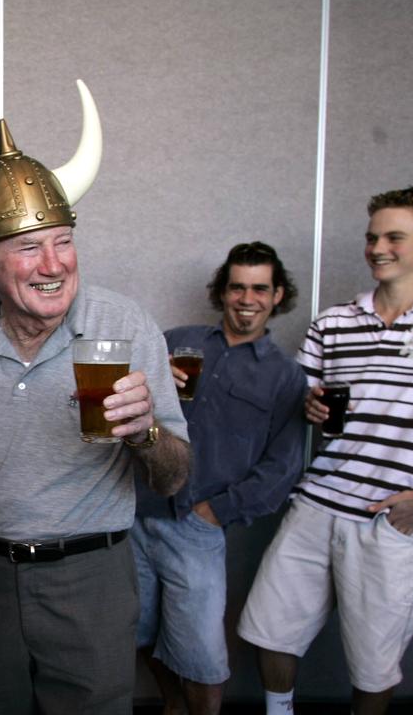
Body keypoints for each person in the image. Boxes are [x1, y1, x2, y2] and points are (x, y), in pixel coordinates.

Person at [0, 80, 191, 714]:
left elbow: (173, 479)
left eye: (63, 240)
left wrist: (144, 430)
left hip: (92, 578)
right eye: (29, 247)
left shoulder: (127, 326)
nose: (52, 263)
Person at [237, 188, 413, 715]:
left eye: (394, 236)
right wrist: (313, 405)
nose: (378, 248)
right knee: (270, 630)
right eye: (372, 237)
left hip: (392, 517)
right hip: (318, 501)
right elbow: (303, 401)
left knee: (375, 661)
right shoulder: (333, 323)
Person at [135, 242, 307, 715]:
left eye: (258, 288)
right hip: (136, 513)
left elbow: (283, 467)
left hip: (197, 526)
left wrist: (216, 514)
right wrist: (149, 383)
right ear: (222, 292)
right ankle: (172, 707)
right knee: (137, 633)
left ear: (277, 296)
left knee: (204, 657)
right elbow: (121, 404)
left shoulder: (285, 375)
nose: (246, 298)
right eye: (237, 287)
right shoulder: (174, 341)